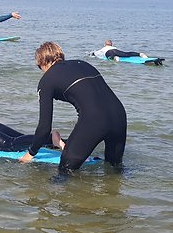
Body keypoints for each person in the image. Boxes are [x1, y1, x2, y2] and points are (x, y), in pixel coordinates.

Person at [20, 42, 127, 174]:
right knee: (114, 170)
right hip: (119, 115)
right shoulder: (82, 64)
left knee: (65, 172)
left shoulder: (47, 80)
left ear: (42, 62)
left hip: (95, 120)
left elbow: (44, 127)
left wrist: (30, 154)